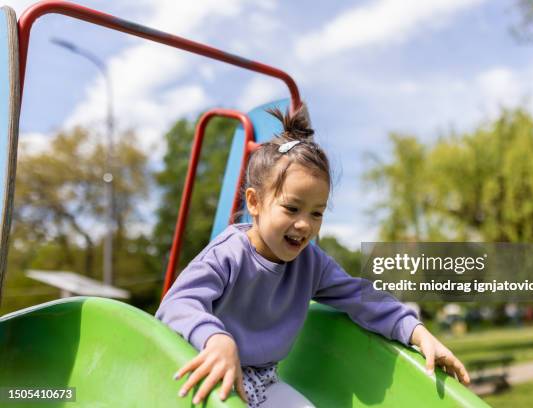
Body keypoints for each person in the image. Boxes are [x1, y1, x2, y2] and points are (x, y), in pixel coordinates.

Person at [155, 105, 470, 407]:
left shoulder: (311, 264)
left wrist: (417, 332)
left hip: (264, 382)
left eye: (317, 213)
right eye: (292, 208)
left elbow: (361, 296)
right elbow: (176, 304)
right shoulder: (229, 254)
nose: (305, 224)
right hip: (209, 371)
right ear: (254, 202)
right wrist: (215, 339)